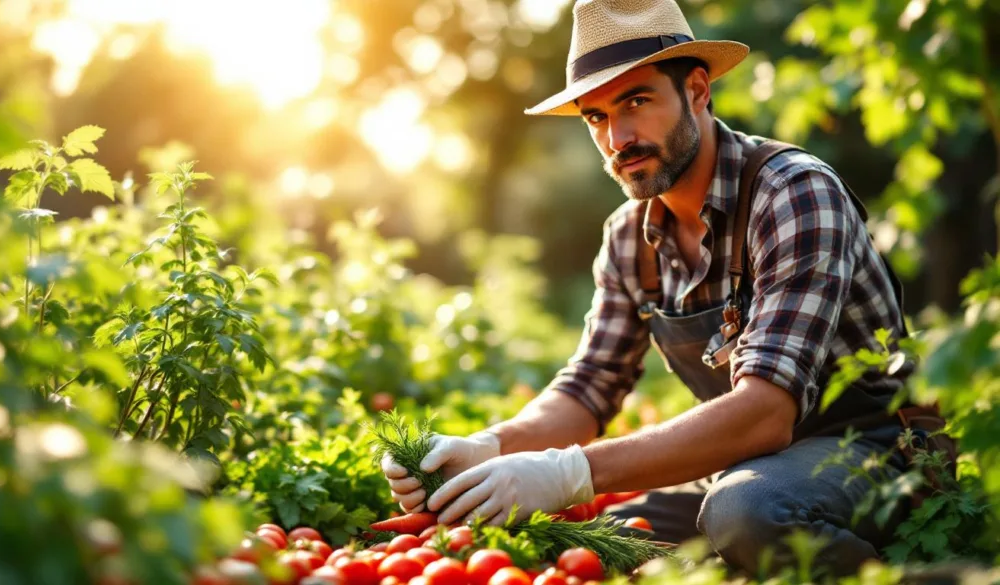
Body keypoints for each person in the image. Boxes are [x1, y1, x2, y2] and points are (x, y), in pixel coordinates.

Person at [382, 0, 931, 576]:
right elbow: (590, 387)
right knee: (603, 542)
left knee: (746, 509)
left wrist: (568, 473)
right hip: (757, 458)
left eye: (636, 102)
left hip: (870, 449)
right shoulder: (628, 237)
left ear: (697, 90)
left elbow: (765, 413)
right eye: (595, 116)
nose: (618, 137)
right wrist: (490, 446)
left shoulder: (792, 193)